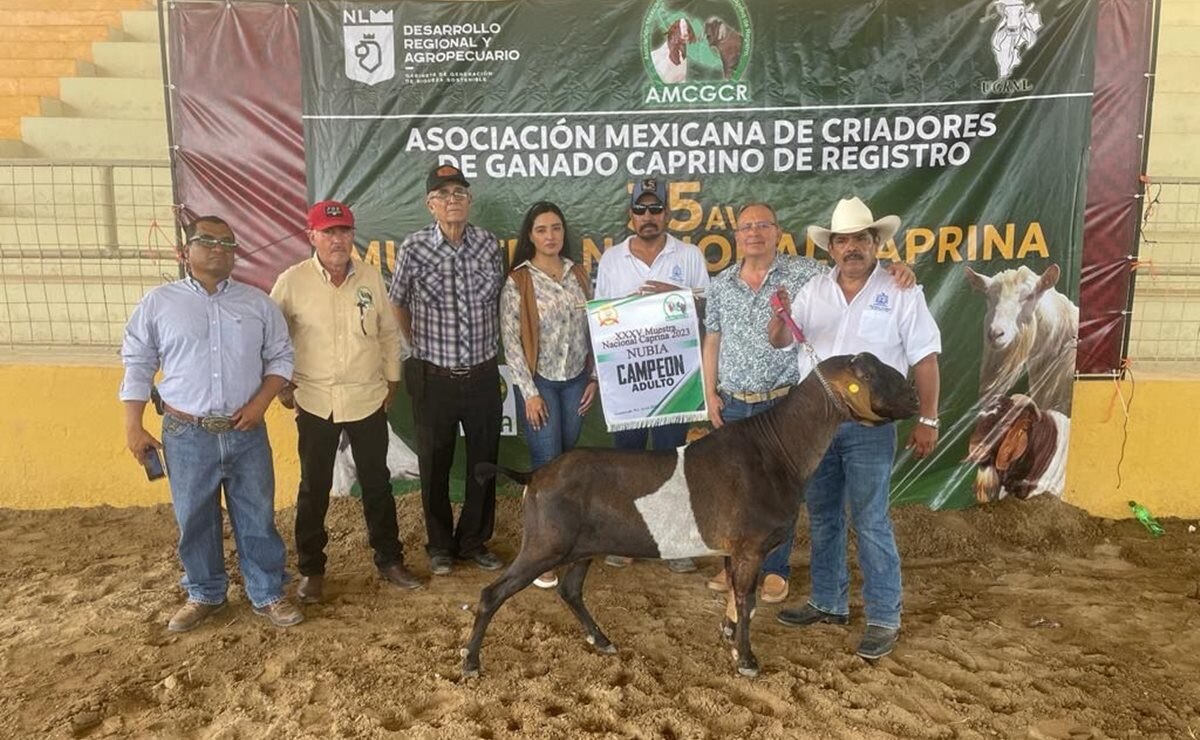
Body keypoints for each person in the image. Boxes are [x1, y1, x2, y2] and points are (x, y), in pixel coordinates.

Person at [704, 203, 915, 605]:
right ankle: (735, 564)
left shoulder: (810, 275)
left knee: (782, 494)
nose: (754, 233)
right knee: (734, 491)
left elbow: (859, 274)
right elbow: (712, 337)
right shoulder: (721, 283)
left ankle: (775, 569)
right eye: (746, 227)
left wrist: (899, 270)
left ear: (777, 231)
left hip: (788, 402)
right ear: (736, 235)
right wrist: (709, 391)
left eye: (762, 225)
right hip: (734, 399)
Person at [768, 196, 942, 661]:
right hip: (818, 426)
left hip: (870, 425)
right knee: (823, 517)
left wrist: (928, 417)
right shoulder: (812, 292)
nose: (851, 248)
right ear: (832, 249)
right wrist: (779, 313)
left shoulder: (902, 290)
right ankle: (829, 602)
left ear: (875, 243)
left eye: (860, 239)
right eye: (842, 240)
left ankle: (884, 616)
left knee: (870, 520)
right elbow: (780, 340)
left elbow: (925, 357)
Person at [119, 215, 304, 631]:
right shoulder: (158, 304)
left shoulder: (258, 304)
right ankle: (204, 593)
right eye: (207, 241)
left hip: (246, 429)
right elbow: (138, 364)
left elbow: (281, 358)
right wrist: (134, 425)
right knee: (194, 517)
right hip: (185, 433)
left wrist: (260, 404)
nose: (219, 248)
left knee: (256, 515)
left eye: (228, 242)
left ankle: (267, 592)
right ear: (185, 252)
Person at [270, 200, 422, 604]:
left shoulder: (370, 276)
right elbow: (272, 336)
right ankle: (312, 571)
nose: (337, 240)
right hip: (315, 401)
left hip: (366, 398)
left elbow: (388, 333)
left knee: (377, 485)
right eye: (328, 232)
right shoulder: (292, 281)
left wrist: (392, 379)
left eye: (344, 232)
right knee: (313, 489)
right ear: (312, 236)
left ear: (352, 235)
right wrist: (282, 386)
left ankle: (389, 561)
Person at [389, 164, 505, 577]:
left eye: (459, 192)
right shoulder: (414, 247)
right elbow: (397, 302)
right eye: (443, 194)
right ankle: (439, 545)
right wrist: (417, 346)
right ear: (430, 204)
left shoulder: (490, 246)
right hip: (433, 377)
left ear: (469, 200)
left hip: (482, 376)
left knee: (484, 462)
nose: (452, 200)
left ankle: (474, 540)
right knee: (434, 464)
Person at [594, 176, 710, 573]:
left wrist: (674, 298)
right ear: (631, 216)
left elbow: (707, 309)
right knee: (626, 461)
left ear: (666, 213)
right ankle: (626, 539)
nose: (648, 216)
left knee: (670, 462)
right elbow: (602, 318)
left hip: (674, 379)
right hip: (627, 380)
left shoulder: (689, 255)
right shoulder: (612, 259)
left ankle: (673, 542)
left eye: (655, 209)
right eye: (641, 210)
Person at [499, 201, 599, 589]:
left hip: (576, 381)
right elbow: (511, 342)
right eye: (542, 230)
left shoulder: (578, 273)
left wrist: (592, 378)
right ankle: (541, 554)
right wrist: (529, 393)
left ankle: (566, 541)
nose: (550, 236)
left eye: (556, 228)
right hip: (541, 384)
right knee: (544, 469)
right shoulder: (519, 280)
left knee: (565, 464)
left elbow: (596, 330)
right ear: (530, 236)